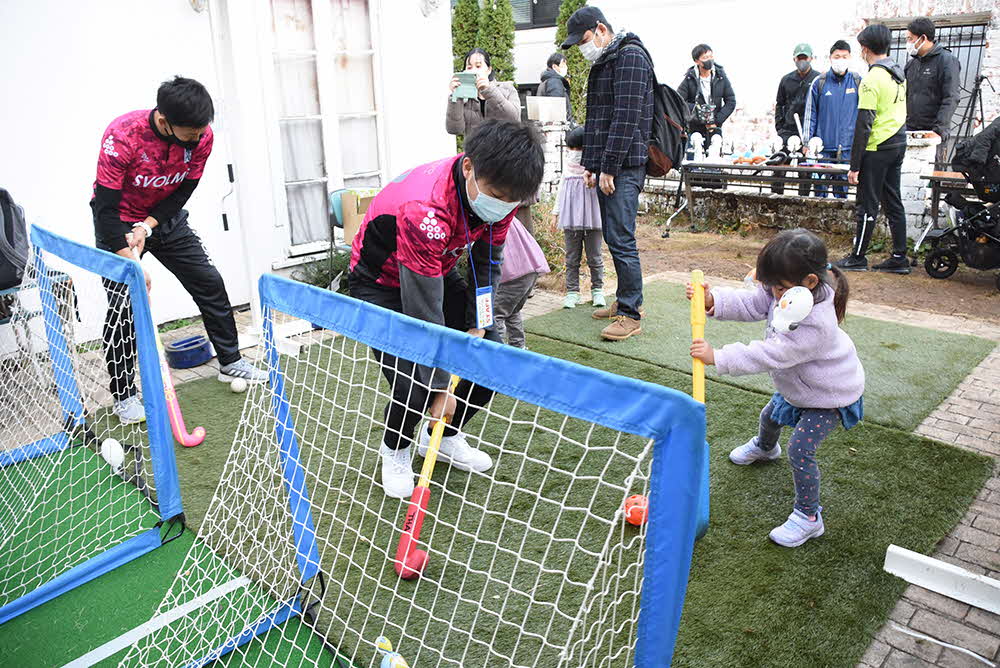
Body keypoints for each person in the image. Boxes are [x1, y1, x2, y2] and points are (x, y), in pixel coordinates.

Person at [347, 120, 544, 498]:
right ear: (468, 167)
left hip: (434, 270)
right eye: (496, 195)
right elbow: (424, 313)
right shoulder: (425, 207)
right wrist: (440, 388)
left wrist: (478, 323)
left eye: (511, 201)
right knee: (414, 380)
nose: (502, 207)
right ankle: (396, 450)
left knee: (492, 359)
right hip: (380, 284)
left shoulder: (500, 200)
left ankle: (441, 438)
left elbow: (487, 262)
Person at [91, 76, 266, 425]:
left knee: (209, 281)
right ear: (163, 120)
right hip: (117, 225)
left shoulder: (202, 136)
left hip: (164, 221)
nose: (198, 139)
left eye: (202, 131)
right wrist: (131, 258)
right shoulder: (122, 137)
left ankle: (230, 361)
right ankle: (124, 396)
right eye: (190, 133)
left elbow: (182, 192)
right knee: (125, 309)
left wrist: (149, 226)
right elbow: (105, 210)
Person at [688, 229, 865, 547]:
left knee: (801, 449)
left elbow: (771, 354)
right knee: (770, 417)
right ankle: (767, 448)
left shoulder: (817, 324)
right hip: (799, 386)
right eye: (770, 285)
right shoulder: (783, 291)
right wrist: (713, 300)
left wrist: (719, 357)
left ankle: (809, 517)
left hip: (829, 395)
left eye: (779, 287)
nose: (772, 293)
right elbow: (753, 302)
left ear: (810, 281)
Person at [560, 5, 653, 341]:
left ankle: (631, 312)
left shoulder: (630, 57)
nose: (583, 48)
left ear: (601, 30)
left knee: (622, 238)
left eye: (584, 40)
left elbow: (625, 119)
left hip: (625, 167)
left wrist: (609, 167)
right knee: (614, 237)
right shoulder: (607, 59)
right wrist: (592, 166)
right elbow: (598, 121)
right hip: (611, 165)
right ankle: (624, 300)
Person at [837, 24, 909, 274]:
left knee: (867, 204)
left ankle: (858, 257)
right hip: (898, 142)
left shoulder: (872, 79)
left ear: (865, 49)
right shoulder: (898, 73)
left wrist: (854, 165)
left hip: (877, 146)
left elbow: (864, 124)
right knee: (893, 200)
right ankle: (900, 256)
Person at [447, 48, 535, 233]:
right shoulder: (465, 96)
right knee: (483, 229)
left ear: (489, 69)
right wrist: (454, 97)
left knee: (518, 226)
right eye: (469, 66)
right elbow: (454, 128)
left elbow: (513, 117)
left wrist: (488, 90)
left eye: (479, 65)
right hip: (481, 171)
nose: (473, 70)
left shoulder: (505, 89)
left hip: (509, 165)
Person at [554, 126, 604, 309]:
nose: (574, 153)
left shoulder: (595, 169)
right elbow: (561, 192)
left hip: (593, 218)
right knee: (571, 257)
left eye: (578, 149)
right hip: (570, 218)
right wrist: (555, 213)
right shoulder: (567, 169)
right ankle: (572, 292)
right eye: (571, 149)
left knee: (595, 256)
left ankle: (597, 290)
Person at [804, 40, 861, 199]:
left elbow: (864, 115)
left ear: (850, 58)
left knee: (842, 194)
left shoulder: (857, 82)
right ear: (830, 58)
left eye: (844, 56)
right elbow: (810, 113)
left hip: (847, 149)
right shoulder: (819, 82)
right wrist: (807, 143)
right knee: (819, 195)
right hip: (822, 150)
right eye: (837, 56)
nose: (841, 60)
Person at [904, 17, 961, 161]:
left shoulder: (946, 61)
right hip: (910, 131)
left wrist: (939, 130)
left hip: (933, 133)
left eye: (910, 39)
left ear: (923, 38)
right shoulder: (911, 65)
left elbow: (951, 97)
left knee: (929, 178)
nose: (908, 43)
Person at [493, 218, 549, 349]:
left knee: (496, 314)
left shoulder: (494, 218)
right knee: (513, 311)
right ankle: (519, 347)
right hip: (530, 268)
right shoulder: (507, 212)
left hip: (514, 273)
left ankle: (499, 353)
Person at [773, 44, 820, 196]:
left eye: (804, 58)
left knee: (805, 171)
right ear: (794, 59)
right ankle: (775, 201)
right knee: (779, 167)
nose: (802, 61)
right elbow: (779, 104)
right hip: (787, 130)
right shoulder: (786, 80)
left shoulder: (818, 79)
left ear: (811, 58)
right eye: (799, 58)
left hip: (808, 132)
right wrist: (780, 127)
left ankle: (803, 201)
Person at [678, 44, 737, 153]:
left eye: (710, 56)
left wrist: (716, 120)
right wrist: (698, 114)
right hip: (695, 128)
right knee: (695, 158)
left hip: (715, 126)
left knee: (714, 159)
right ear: (697, 61)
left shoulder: (721, 77)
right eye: (705, 58)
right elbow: (679, 101)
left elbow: (731, 101)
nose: (709, 60)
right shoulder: (689, 79)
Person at [537, 52, 573, 124]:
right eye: (563, 64)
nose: (566, 67)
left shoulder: (548, 80)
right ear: (554, 66)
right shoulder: (554, 81)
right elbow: (556, 108)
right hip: (557, 128)